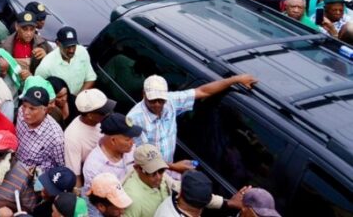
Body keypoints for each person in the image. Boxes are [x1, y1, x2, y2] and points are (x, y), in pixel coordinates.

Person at [127, 73, 257, 167]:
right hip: (148, 171)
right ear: (143, 94)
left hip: (166, 167)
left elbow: (203, 91)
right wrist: (174, 167)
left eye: (161, 100)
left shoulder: (171, 101)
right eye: (152, 100)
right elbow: (142, 158)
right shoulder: (135, 119)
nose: (157, 105)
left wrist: (235, 80)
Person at [64, 89, 116, 186]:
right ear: (90, 115)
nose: (108, 113)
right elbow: (75, 175)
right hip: (96, 178)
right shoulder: (72, 138)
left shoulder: (103, 120)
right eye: (103, 112)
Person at [82, 113, 142, 185]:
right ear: (113, 140)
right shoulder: (94, 168)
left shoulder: (131, 148)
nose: (132, 142)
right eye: (128, 139)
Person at [16, 86, 65, 172]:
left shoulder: (56, 138)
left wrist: (37, 171)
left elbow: (60, 168)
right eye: (24, 106)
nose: (26, 112)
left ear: (45, 110)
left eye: (32, 108)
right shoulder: (20, 111)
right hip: (13, 163)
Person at [35, 26, 96, 96]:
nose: (71, 50)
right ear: (58, 43)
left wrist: (78, 98)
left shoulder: (82, 52)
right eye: (67, 47)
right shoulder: (46, 66)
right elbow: (36, 91)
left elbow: (90, 78)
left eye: (73, 46)